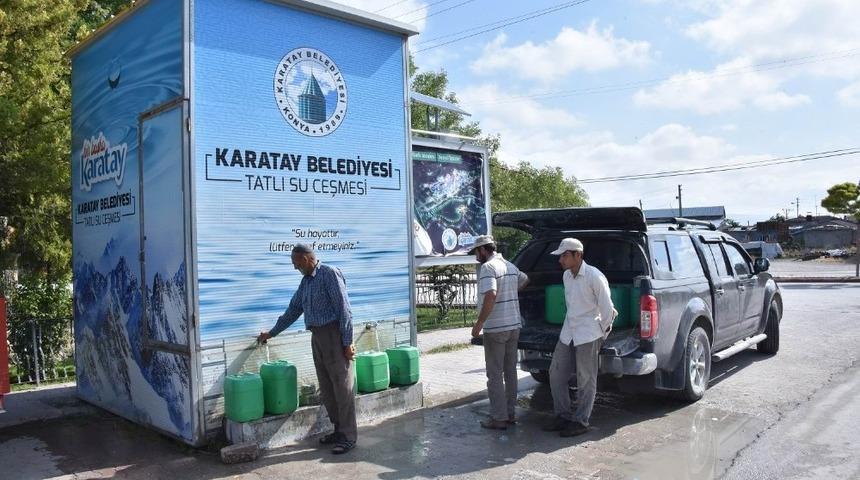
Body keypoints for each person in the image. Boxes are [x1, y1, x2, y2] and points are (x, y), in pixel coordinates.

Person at [257, 244, 357, 454]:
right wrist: (272, 333)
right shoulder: (306, 283)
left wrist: (347, 342)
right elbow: (293, 310)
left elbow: (344, 309)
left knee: (342, 388)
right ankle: (338, 430)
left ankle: (348, 437)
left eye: (296, 263)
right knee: (328, 389)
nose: (295, 268)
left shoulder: (329, 274)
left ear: (306, 258)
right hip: (317, 337)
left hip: (334, 337)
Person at [543, 238, 615, 437]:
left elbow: (608, 309)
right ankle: (563, 415)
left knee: (586, 379)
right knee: (556, 373)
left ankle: (581, 420)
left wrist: (601, 332)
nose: (561, 260)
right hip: (568, 332)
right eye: (561, 256)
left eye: (565, 255)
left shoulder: (594, 276)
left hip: (589, 333)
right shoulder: (567, 276)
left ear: (578, 255)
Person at [470, 235, 529, 430]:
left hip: (496, 329)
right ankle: (510, 414)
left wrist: (479, 323)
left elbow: (491, 294)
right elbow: (525, 280)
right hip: (514, 326)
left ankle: (498, 418)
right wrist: (510, 292)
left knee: (494, 374)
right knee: (510, 372)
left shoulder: (488, 267)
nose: (476, 256)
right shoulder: (509, 265)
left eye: (476, 252)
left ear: (483, 250)